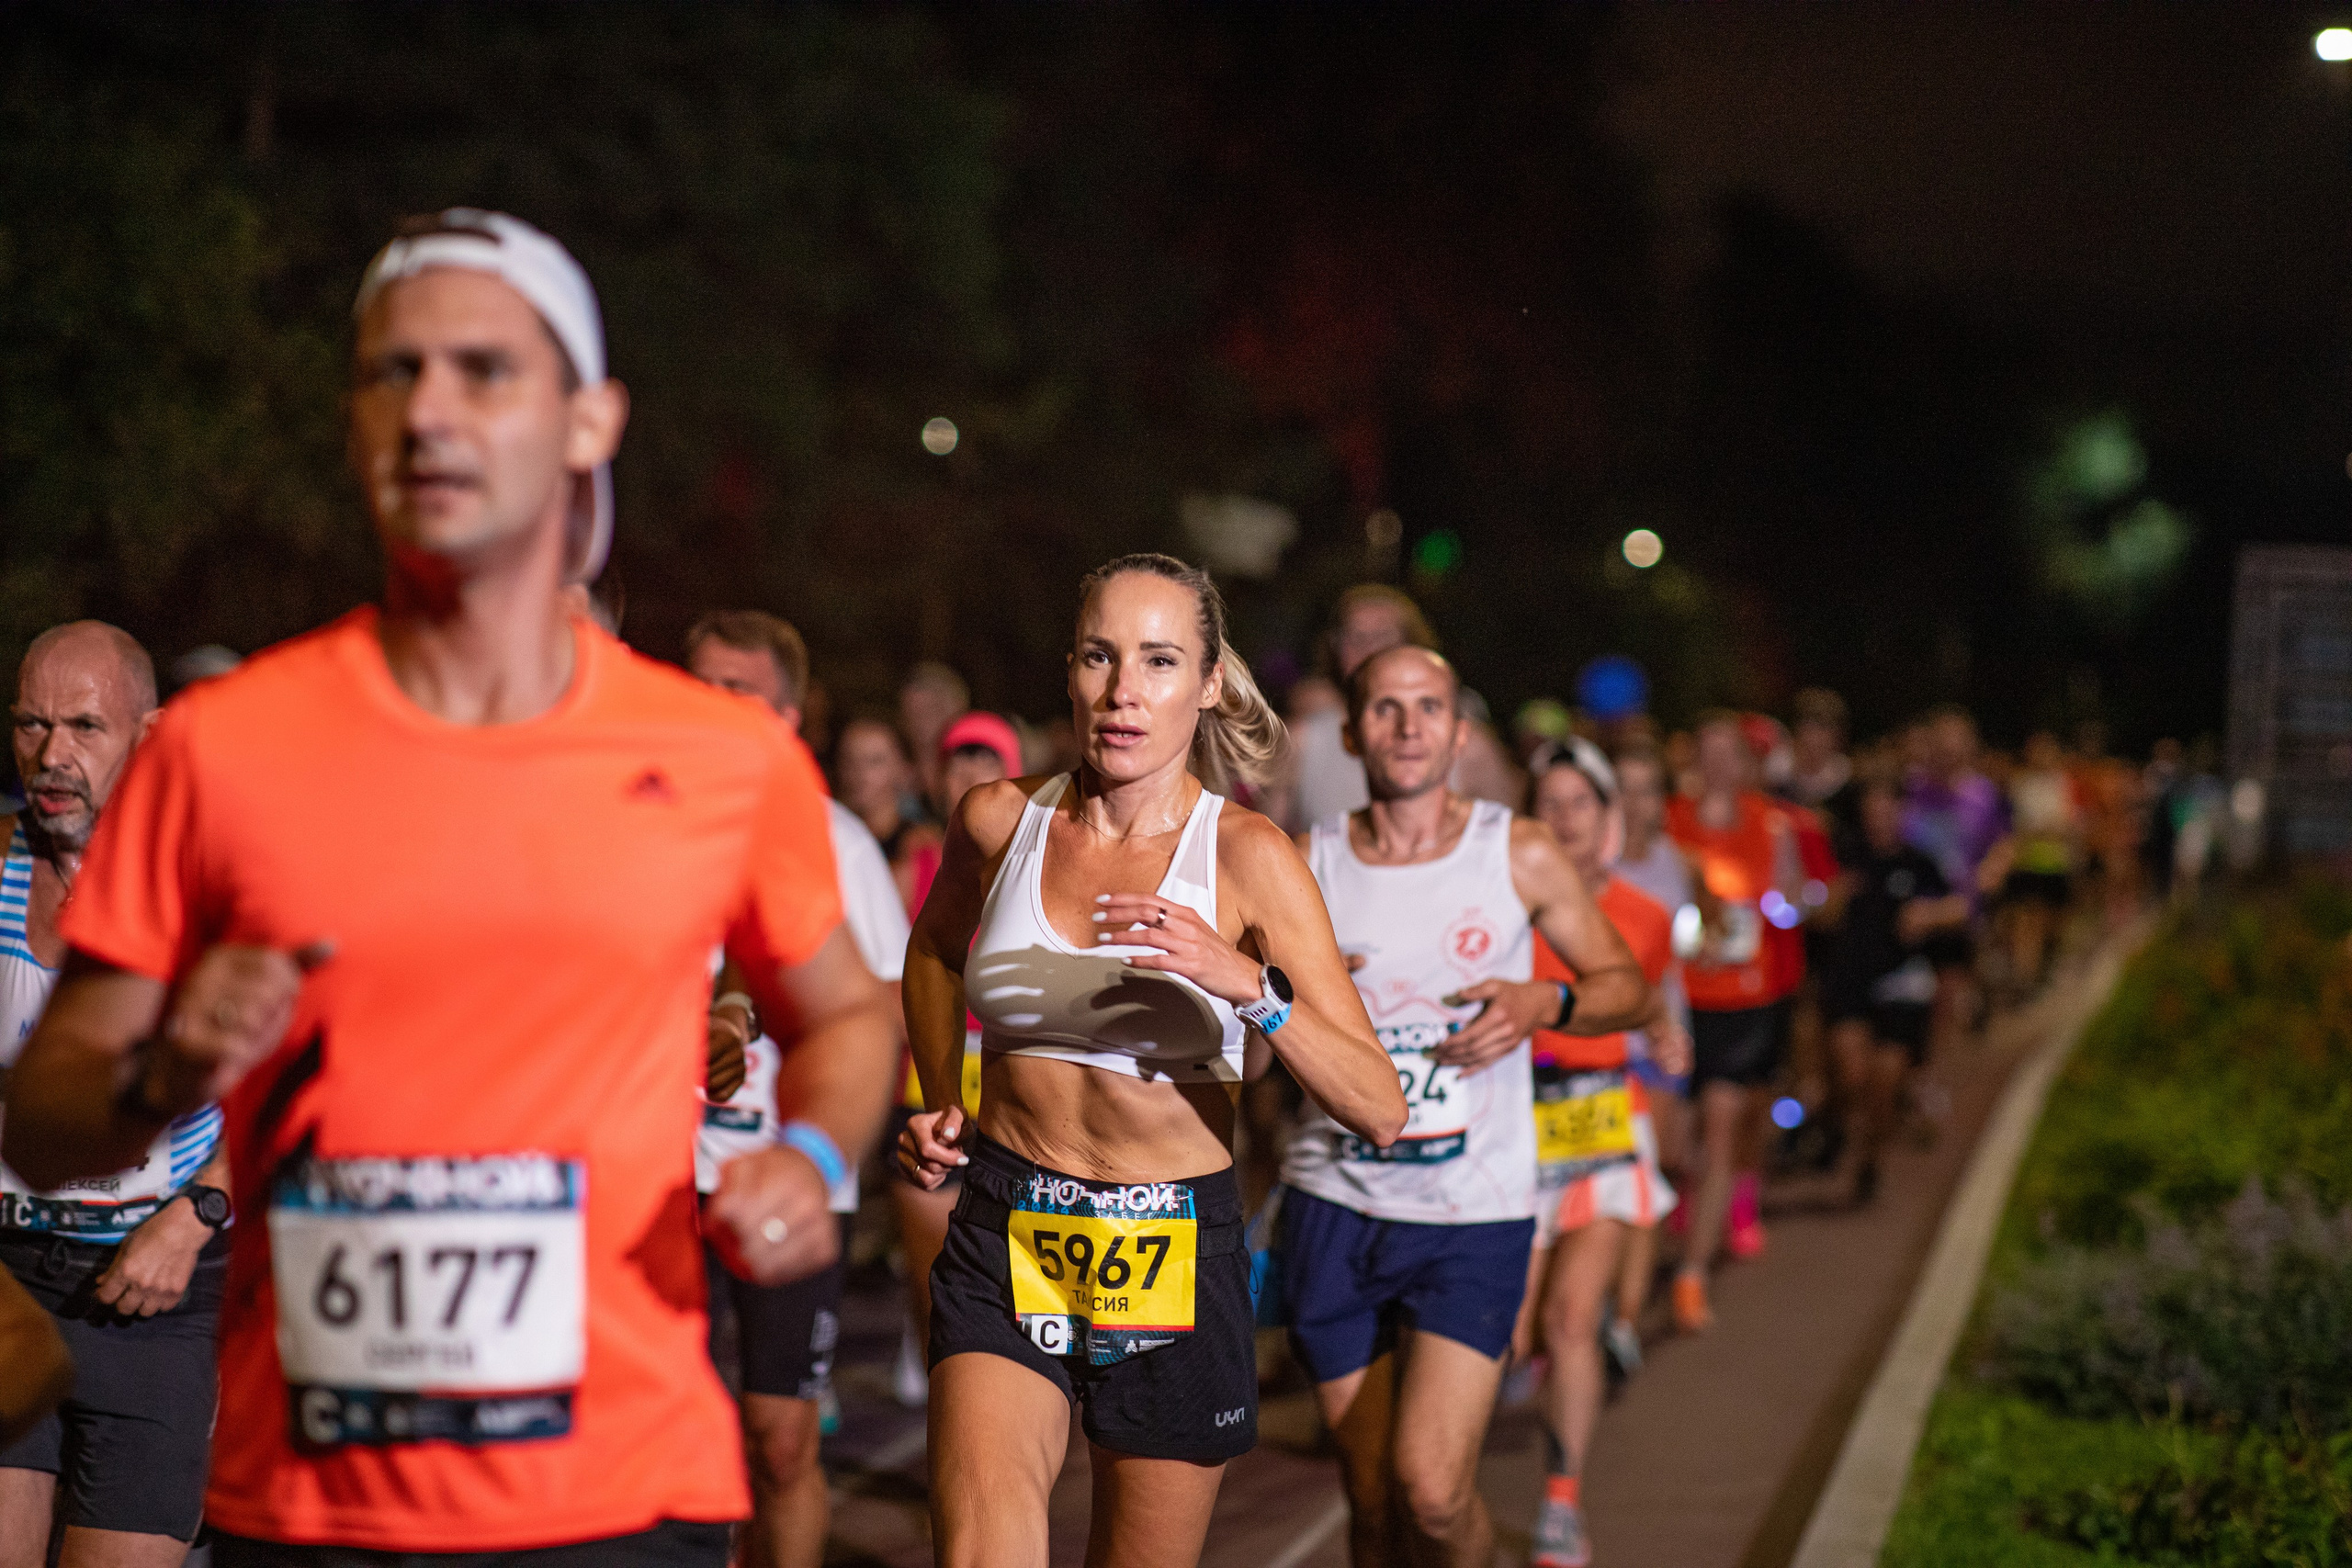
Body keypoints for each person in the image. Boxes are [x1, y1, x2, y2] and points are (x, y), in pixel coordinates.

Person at [3, 209, 899, 1564]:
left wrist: (814, 1155)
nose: (430, 409)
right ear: (354, 422)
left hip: (621, 1493)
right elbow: (45, 1108)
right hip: (313, 1496)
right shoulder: (224, 744)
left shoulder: (719, 757)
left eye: (484, 369)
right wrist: (163, 1068)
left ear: (589, 418)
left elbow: (848, 1014)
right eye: (391, 372)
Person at [899, 553, 1404, 1568]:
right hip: (1011, 1224)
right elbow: (934, 950)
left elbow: (1378, 1106)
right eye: (1100, 657)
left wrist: (1248, 987)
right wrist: (945, 1093)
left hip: (1170, 1242)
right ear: (1071, 671)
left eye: (1160, 661)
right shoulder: (999, 822)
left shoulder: (1249, 856)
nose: (1124, 692)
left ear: (1208, 683)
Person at [1279, 646, 1648, 1568]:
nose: (1407, 727)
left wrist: (1541, 1002)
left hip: (1470, 1212)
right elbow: (1244, 1058)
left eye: (1428, 707)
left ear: (1458, 731)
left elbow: (1624, 985)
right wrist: (1292, 1003)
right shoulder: (1302, 862)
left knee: (1432, 1493)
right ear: (1353, 730)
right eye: (1386, 708)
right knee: (1368, 1501)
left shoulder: (1513, 849)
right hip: (1334, 1202)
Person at [684, 609, 911, 1568]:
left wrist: (817, 1150)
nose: (712, 709)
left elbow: (886, 1008)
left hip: (786, 1179)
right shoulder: (640, 816)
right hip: (660, 1179)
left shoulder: (836, 842)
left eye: (737, 692)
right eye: (699, 687)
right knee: (670, 1439)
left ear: (786, 715)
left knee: (779, 1437)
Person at [0, 622, 226, 1568]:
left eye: (86, 727)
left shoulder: (215, 888)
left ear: (152, 734)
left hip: (158, 1294)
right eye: (32, 725)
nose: (53, 757)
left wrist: (196, 1214)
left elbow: (309, 1078)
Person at [1515, 740, 1689, 1568]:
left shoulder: (1646, 915)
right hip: (1511, 1131)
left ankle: (1561, 1501)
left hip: (1601, 1126)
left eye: (1578, 802)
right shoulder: (1499, 907)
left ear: (1605, 814)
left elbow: (1658, 1004)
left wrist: (1667, 1036)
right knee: (1510, 1339)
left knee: (1569, 1318)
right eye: (1546, 803)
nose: (1562, 818)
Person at [885, 707, 1021, 1408]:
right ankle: (932, 1337)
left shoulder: (1043, 852)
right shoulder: (915, 857)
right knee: (928, 1241)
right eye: (957, 761)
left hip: (1010, 1070)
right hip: (930, 1065)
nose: (971, 774)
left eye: (986, 759)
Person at [1664, 712, 1804, 1334]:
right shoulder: (1669, 819)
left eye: (1731, 753)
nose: (1719, 763)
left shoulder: (1770, 824)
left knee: (1721, 1129)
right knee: (1677, 1142)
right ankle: (1694, 1202)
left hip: (1746, 998)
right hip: (1677, 1000)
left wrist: (1768, 902)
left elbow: (1794, 902)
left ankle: (1691, 1273)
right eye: (1708, 751)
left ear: (1746, 764)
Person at [1822, 773, 1971, 1205]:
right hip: (1849, 979)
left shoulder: (1920, 862)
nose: (1880, 818)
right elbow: (1814, 907)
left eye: (1889, 808)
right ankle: (1833, 1124)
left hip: (1901, 985)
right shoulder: (1846, 857)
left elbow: (1958, 906)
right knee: (1853, 1076)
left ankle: (1870, 1159)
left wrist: (1930, 914)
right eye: (1873, 808)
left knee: (1885, 1081)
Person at [1287, 585, 1436, 830]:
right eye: (1355, 637)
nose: (1367, 649)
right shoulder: (1304, 736)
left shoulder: (1461, 733)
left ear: (1412, 643)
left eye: (1381, 636)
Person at [835, 716, 940, 912]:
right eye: (850, 760)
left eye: (875, 761)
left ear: (904, 770)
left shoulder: (922, 848)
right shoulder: (831, 838)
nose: (860, 773)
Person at [2001, 731, 2079, 995]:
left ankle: (2046, 967)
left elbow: (2069, 823)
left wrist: (2050, 829)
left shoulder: (2063, 784)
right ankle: (2027, 980)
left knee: (2053, 924)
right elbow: (2015, 827)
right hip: (2027, 864)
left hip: (2057, 864)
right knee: (2027, 921)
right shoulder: (2021, 785)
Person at [899, 661, 970, 804]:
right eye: (913, 713)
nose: (923, 722)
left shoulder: (980, 766)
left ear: (959, 707)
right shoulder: (897, 781)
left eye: (933, 709)